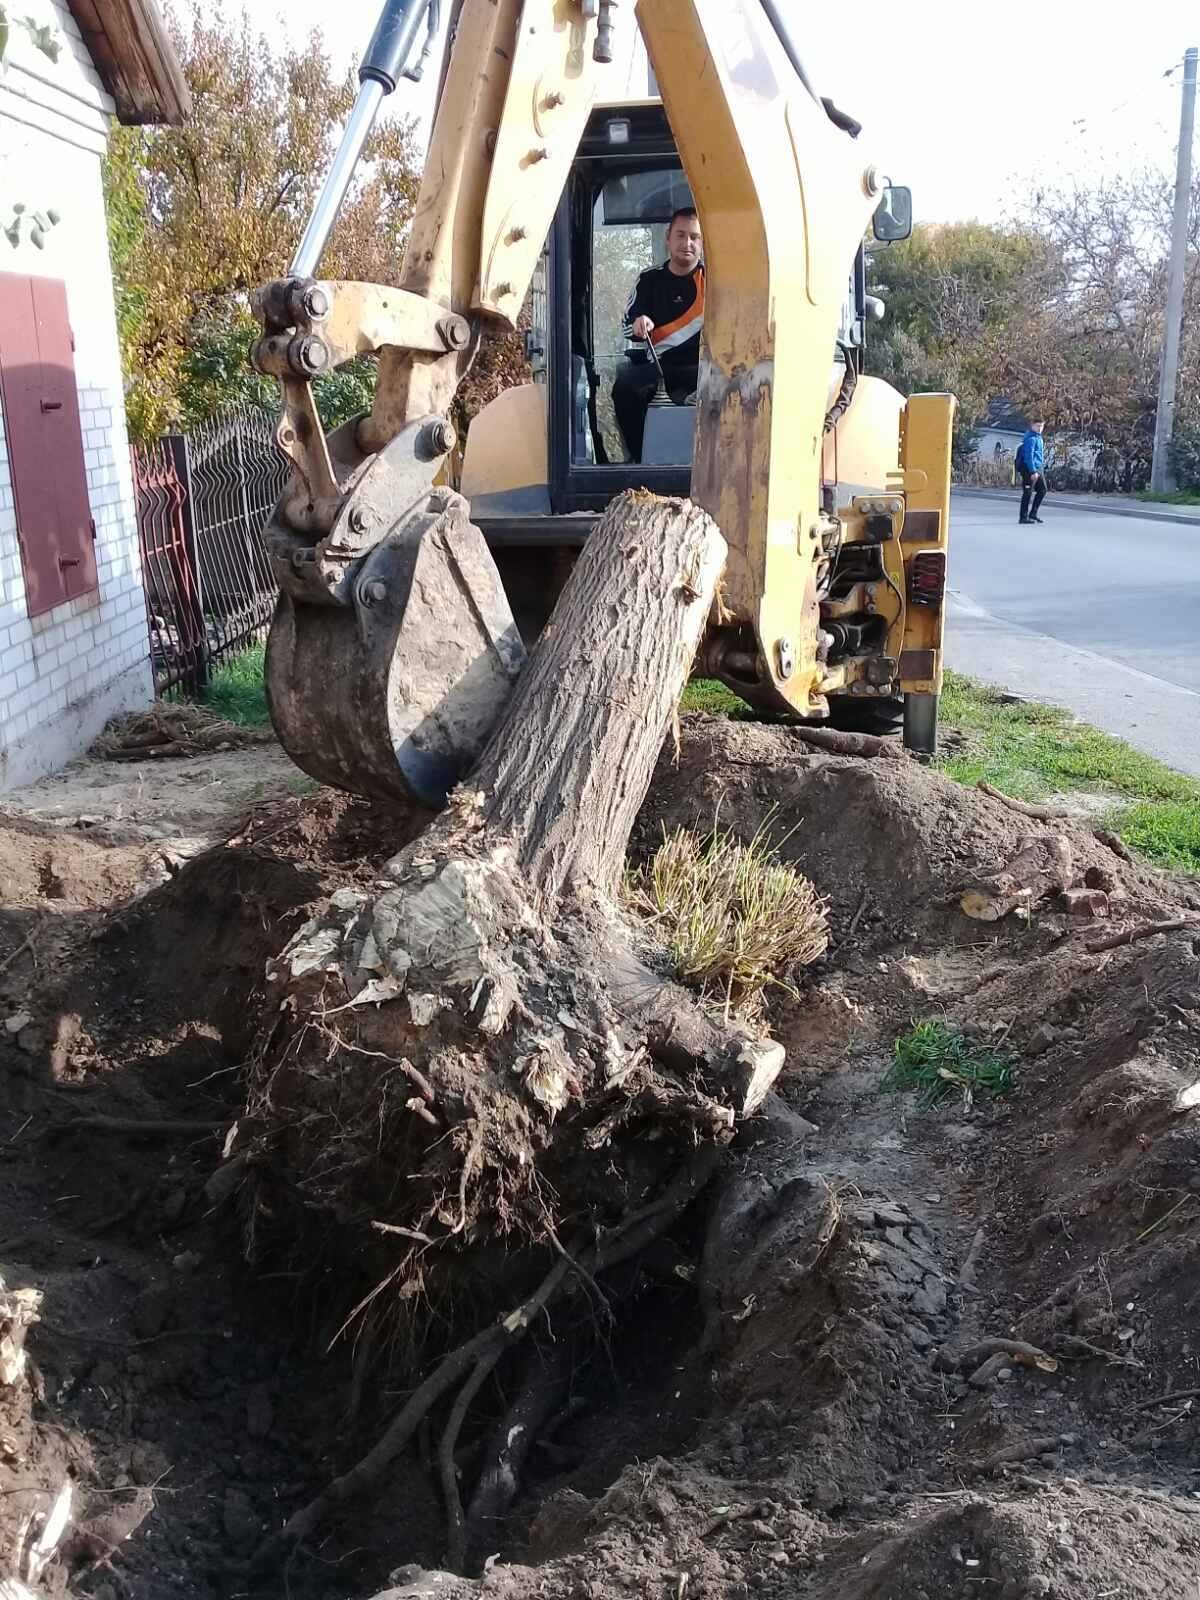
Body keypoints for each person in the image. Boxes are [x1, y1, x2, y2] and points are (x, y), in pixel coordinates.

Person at [612, 207, 705, 463]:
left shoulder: (716, 281)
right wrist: (640, 324)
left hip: (704, 370)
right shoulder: (648, 280)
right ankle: (640, 460)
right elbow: (627, 326)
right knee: (625, 387)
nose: (687, 243)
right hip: (660, 368)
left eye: (694, 237)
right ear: (668, 238)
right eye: (681, 235)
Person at [1017, 419, 1047, 524]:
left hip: (1038, 468)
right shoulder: (1030, 439)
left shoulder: (1039, 438)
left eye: (1042, 426)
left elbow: (1039, 454)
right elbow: (1028, 457)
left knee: (1042, 490)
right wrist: (1033, 471)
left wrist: (1041, 467)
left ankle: (1033, 514)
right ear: (1032, 426)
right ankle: (1023, 517)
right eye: (1037, 426)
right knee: (1027, 493)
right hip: (1029, 469)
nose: (1040, 428)